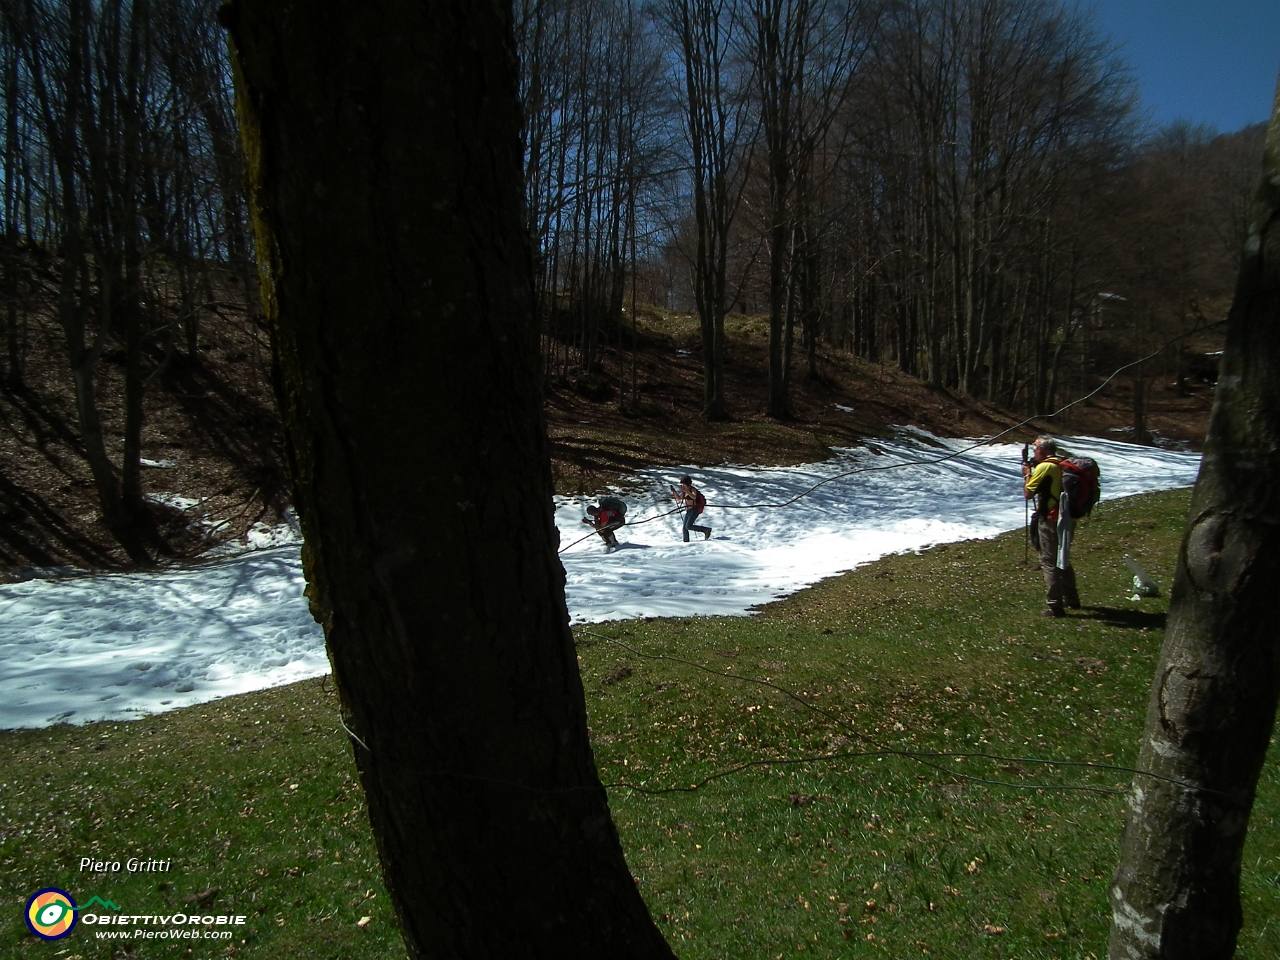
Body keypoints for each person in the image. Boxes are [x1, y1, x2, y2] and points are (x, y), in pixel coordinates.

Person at [1022, 435, 1080, 617]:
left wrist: (1027, 474)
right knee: (1063, 558)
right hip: (1067, 518)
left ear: (1042, 450)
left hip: (1051, 518)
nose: (1034, 453)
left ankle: (1055, 605)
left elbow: (1028, 493)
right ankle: (1072, 599)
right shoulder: (1061, 464)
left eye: (1035, 450)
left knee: (1048, 561)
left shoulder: (1045, 467)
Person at [669, 475, 711, 542]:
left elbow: (694, 497)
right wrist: (674, 492)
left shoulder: (693, 490)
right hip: (688, 511)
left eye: (684, 484)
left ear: (687, 484)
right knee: (684, 528)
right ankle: (686, 543)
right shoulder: (685, 492)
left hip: (694, 510)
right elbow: (679, 498)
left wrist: (687, 491)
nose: (683, 486)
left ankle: (706, 530)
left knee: (688, 526)